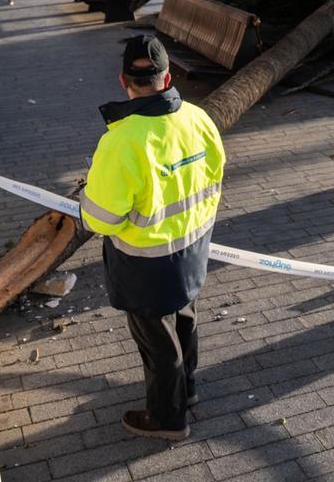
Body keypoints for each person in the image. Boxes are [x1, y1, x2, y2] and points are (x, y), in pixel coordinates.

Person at [80, 36, 226, 441]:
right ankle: (187, 389)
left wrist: (86, 197)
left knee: (157, 342)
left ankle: (167, 418)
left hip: (146, 261)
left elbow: (101, 219)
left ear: (123, 80)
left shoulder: (121, 141)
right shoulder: (198, 118)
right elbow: (215, 174)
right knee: (185, 318)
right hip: (193, 246)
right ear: (168, 77)